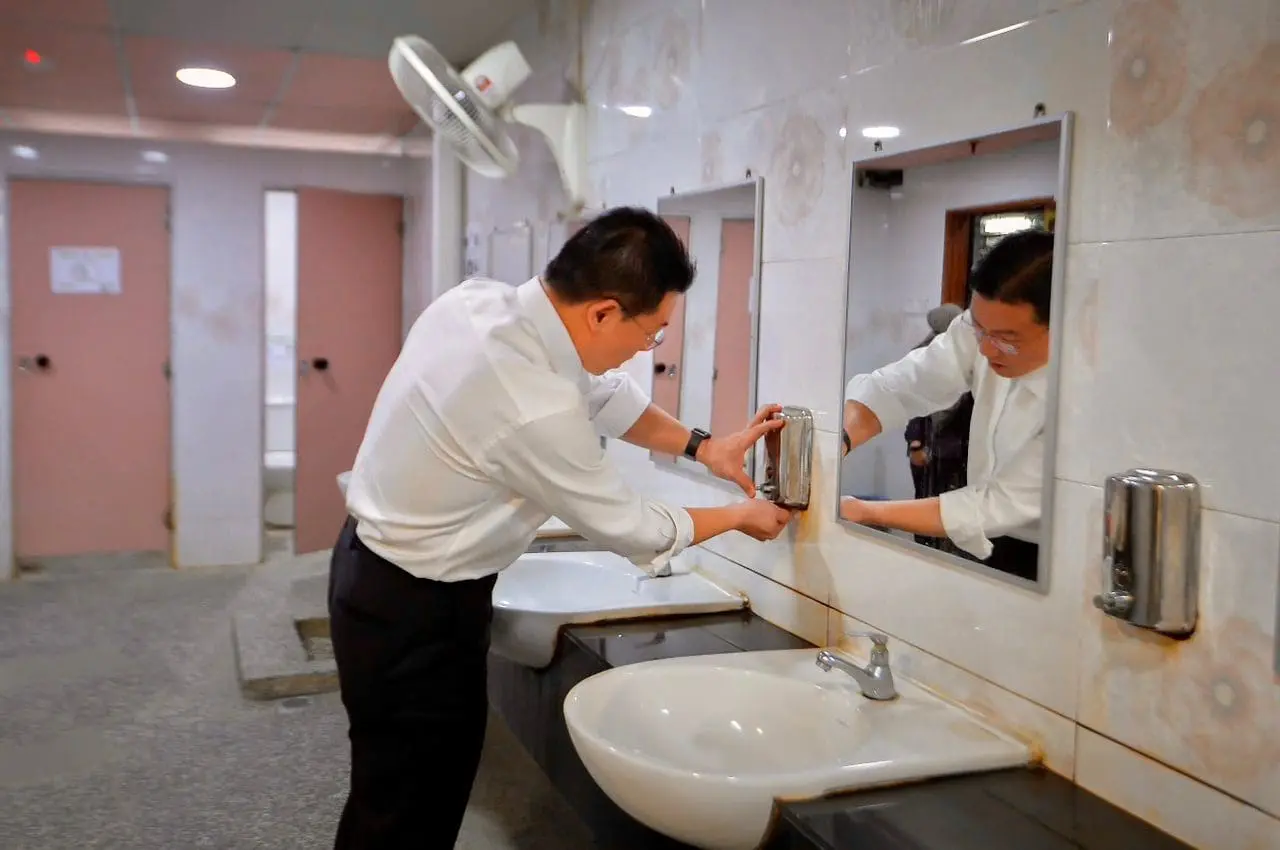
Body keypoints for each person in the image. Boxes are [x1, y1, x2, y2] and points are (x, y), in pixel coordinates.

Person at [328, 206, 796, 850]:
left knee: (404, 788)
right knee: (406, 807)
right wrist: (742, 515)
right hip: (412, 607)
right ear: (603, 312)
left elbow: (599, 394)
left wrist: (704, 447)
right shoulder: (529, 403)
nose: (646, 348)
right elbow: (631, 527)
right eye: (652, 332)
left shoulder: (480, 304)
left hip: (377, 573)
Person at [839, 229, 1053, 579]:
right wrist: (838, 441)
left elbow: (994, 505)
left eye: (1006, 340)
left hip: (1051, 559)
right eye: (980, 329)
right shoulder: (983, 329)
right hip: (985, 544)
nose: (985, 350)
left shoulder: (1084, 400)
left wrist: (864, 511)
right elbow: (904, 385)